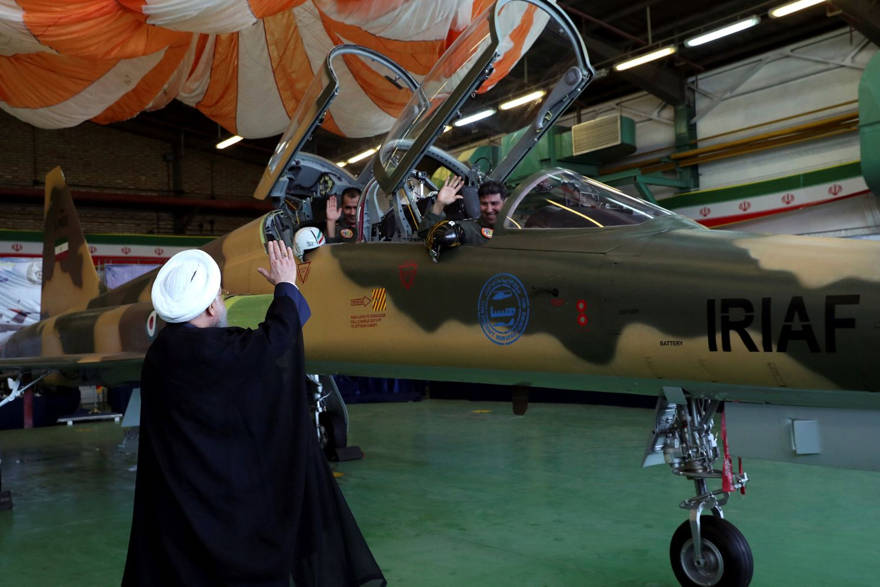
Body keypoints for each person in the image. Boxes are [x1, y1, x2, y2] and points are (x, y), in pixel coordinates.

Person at [122, 243, 385, 587]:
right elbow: (275, 343)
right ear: (212, 306)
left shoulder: (159, 354)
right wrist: (286, 285)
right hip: (231, 518)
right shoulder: (222, 352)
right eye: (221, 294)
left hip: (178, 515)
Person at [417, 176, 507, 245]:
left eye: (494, 203)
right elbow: (427, 235)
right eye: (484, 204)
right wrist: (440, 204)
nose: (489, 209)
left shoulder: (517, 228)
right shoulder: (469, 230)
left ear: (505, 203)